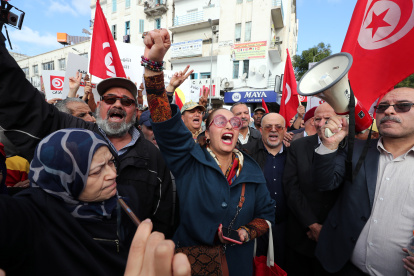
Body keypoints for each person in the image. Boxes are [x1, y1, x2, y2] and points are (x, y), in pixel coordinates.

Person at [0, 39, 174, 237]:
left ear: (136, 112)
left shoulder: (152, 155)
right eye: (109, 99)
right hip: (74, 252)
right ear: (98, 107)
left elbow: (162, 216)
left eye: (126, 101)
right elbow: (26, 107)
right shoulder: (73, 134)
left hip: (131, 258)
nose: (117, 104)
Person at [142, 28, 275, 275]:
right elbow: (163, 118)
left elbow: (267, 213)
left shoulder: (253, 170)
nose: (229, 126)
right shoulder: (189, 160)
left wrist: (246, 232)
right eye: (220, 121)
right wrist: (154, 64)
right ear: (206, 133)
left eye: (234, 123)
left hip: (239, 267)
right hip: (192, 266)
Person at [0, 129, 137, 275]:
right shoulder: (32, 213)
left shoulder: (125, 199)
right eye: (96, 172)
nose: (113, 174)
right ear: (65, 177)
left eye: (111, 162)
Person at [313, 87, 414, 275]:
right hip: (343, 267)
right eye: (382, 106)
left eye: (403, 106)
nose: (389, 111)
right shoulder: (356, 148)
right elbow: (324, 184)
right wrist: (329, 146)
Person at [283, 103, 340, 276]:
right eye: (317, 119)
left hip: (337, 237)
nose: (322, 123)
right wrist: (312, 225)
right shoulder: (298, 146)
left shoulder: (350, 146)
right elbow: (291, 187)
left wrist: (329, 229)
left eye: (327, 119)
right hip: (302, 234)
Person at [242, 112, 288, 269]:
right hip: (256, 230)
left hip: (288, 229)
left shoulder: (294, 154)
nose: (273, 130)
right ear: (261, 130)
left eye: (278, 127)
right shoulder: (247, 156)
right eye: (268, 127)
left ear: (285, 130)